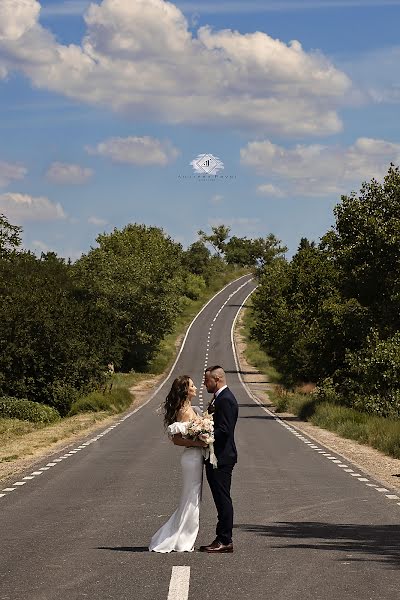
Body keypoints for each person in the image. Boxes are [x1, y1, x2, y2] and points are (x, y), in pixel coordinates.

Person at [149, 375, 207, 553]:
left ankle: (183, 536)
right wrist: (200, 443)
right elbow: (176, 440)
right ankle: (182, 540)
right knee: (191, 498)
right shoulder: (183, 411)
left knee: (193, 498)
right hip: (191, 457)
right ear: (185, 390)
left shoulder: (191, 408)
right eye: (192, 385)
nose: (196, 388)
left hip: (196, 456)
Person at [200, 365, 238, 554]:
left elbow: (225, 430)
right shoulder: (219, 398)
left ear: (217, 379)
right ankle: (221, 537)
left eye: (207, 380)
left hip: (222, 457)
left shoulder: (226, 400)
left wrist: (203, 435)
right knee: (219, 498)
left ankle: (225, 539)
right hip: (216, 456)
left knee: (223, 499)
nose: (204, 383)